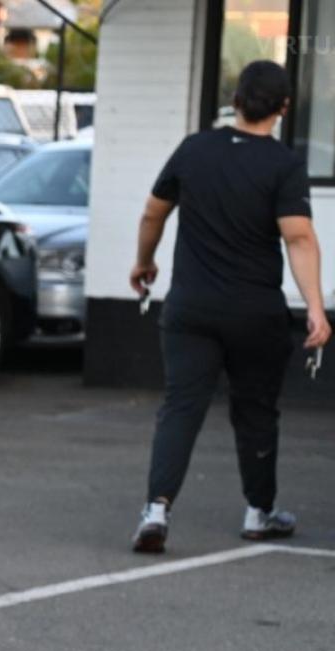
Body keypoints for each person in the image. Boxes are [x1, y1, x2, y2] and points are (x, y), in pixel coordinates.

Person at [128, 59, 330, 554]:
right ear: (283, 108)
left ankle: (157, 509)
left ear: (235, 100)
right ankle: (259, 513)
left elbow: (154, 210)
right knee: (257, 411)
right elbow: (298, 237)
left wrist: (144, 262)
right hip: (253, 313)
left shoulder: (195, 148)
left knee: (181, 407)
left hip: (190, 309)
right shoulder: (282, 164)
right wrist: (316, 308)